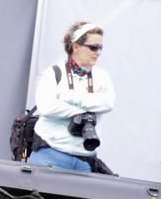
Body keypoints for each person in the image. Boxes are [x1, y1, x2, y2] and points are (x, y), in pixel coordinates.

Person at [27, 20, 114, 172]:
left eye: (100, 47)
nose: (98, 52)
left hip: (85, 160)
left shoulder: (102, 76)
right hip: (50, 155)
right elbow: (47, 108)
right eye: (93, 47)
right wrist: (88, 108)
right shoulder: (53, 73)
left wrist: (68, 96)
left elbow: (108, 103)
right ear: (76, 47)